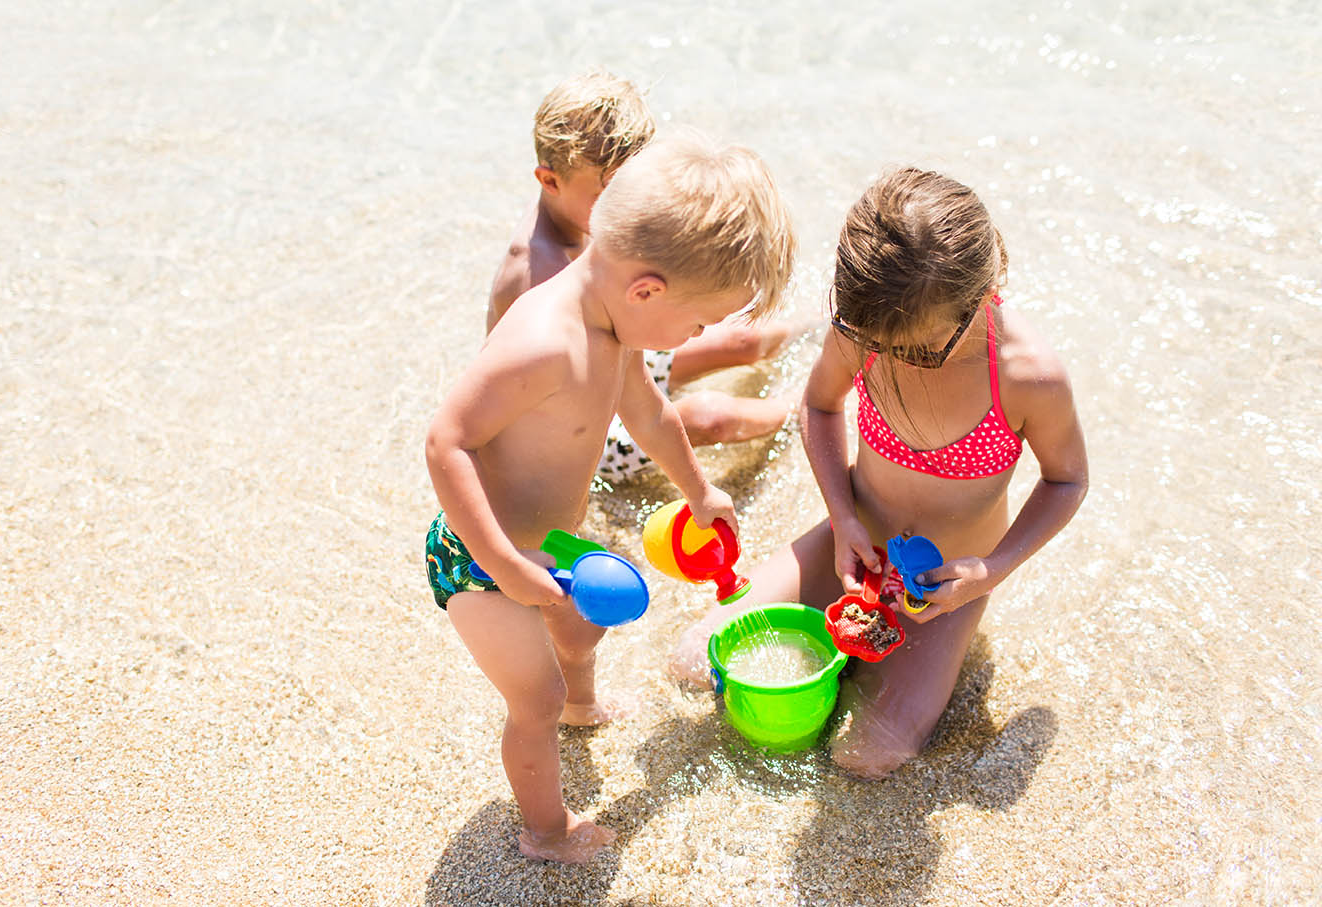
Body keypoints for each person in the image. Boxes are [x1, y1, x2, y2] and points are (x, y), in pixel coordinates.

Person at [426, 136, 796, 862]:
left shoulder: (616, 327)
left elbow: (651, 416)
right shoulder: (544, 341)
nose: (695, 338)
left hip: (549, 542)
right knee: (530, 701)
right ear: (647, 291)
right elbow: (447, 442)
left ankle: (582, 704)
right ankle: (545, 832)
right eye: (698, 324)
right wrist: (501, 562)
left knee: (581, 632)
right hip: (478, 556)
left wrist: (699, 490)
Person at [671, 167, 1088, 779]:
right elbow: (820, 405)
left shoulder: (1027, 375)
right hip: (853, 545)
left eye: (918, 351)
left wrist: (991, 570)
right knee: (695, 662)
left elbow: (1067, 480)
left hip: (943, 588)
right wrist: (842, 517)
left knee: (868, 758)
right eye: (881, 346)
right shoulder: (866, 329)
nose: (896, 361)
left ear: (983, 292)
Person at [487, 70, 798, 481]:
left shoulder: (583, 215)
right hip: (583, 431)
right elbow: (589, 392)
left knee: (743, 339)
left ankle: (821, 335)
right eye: (611, 189)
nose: (627, 203)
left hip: (619, 350)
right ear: (550, 180)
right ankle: (804, 410)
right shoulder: (536, 271)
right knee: (709, 417)